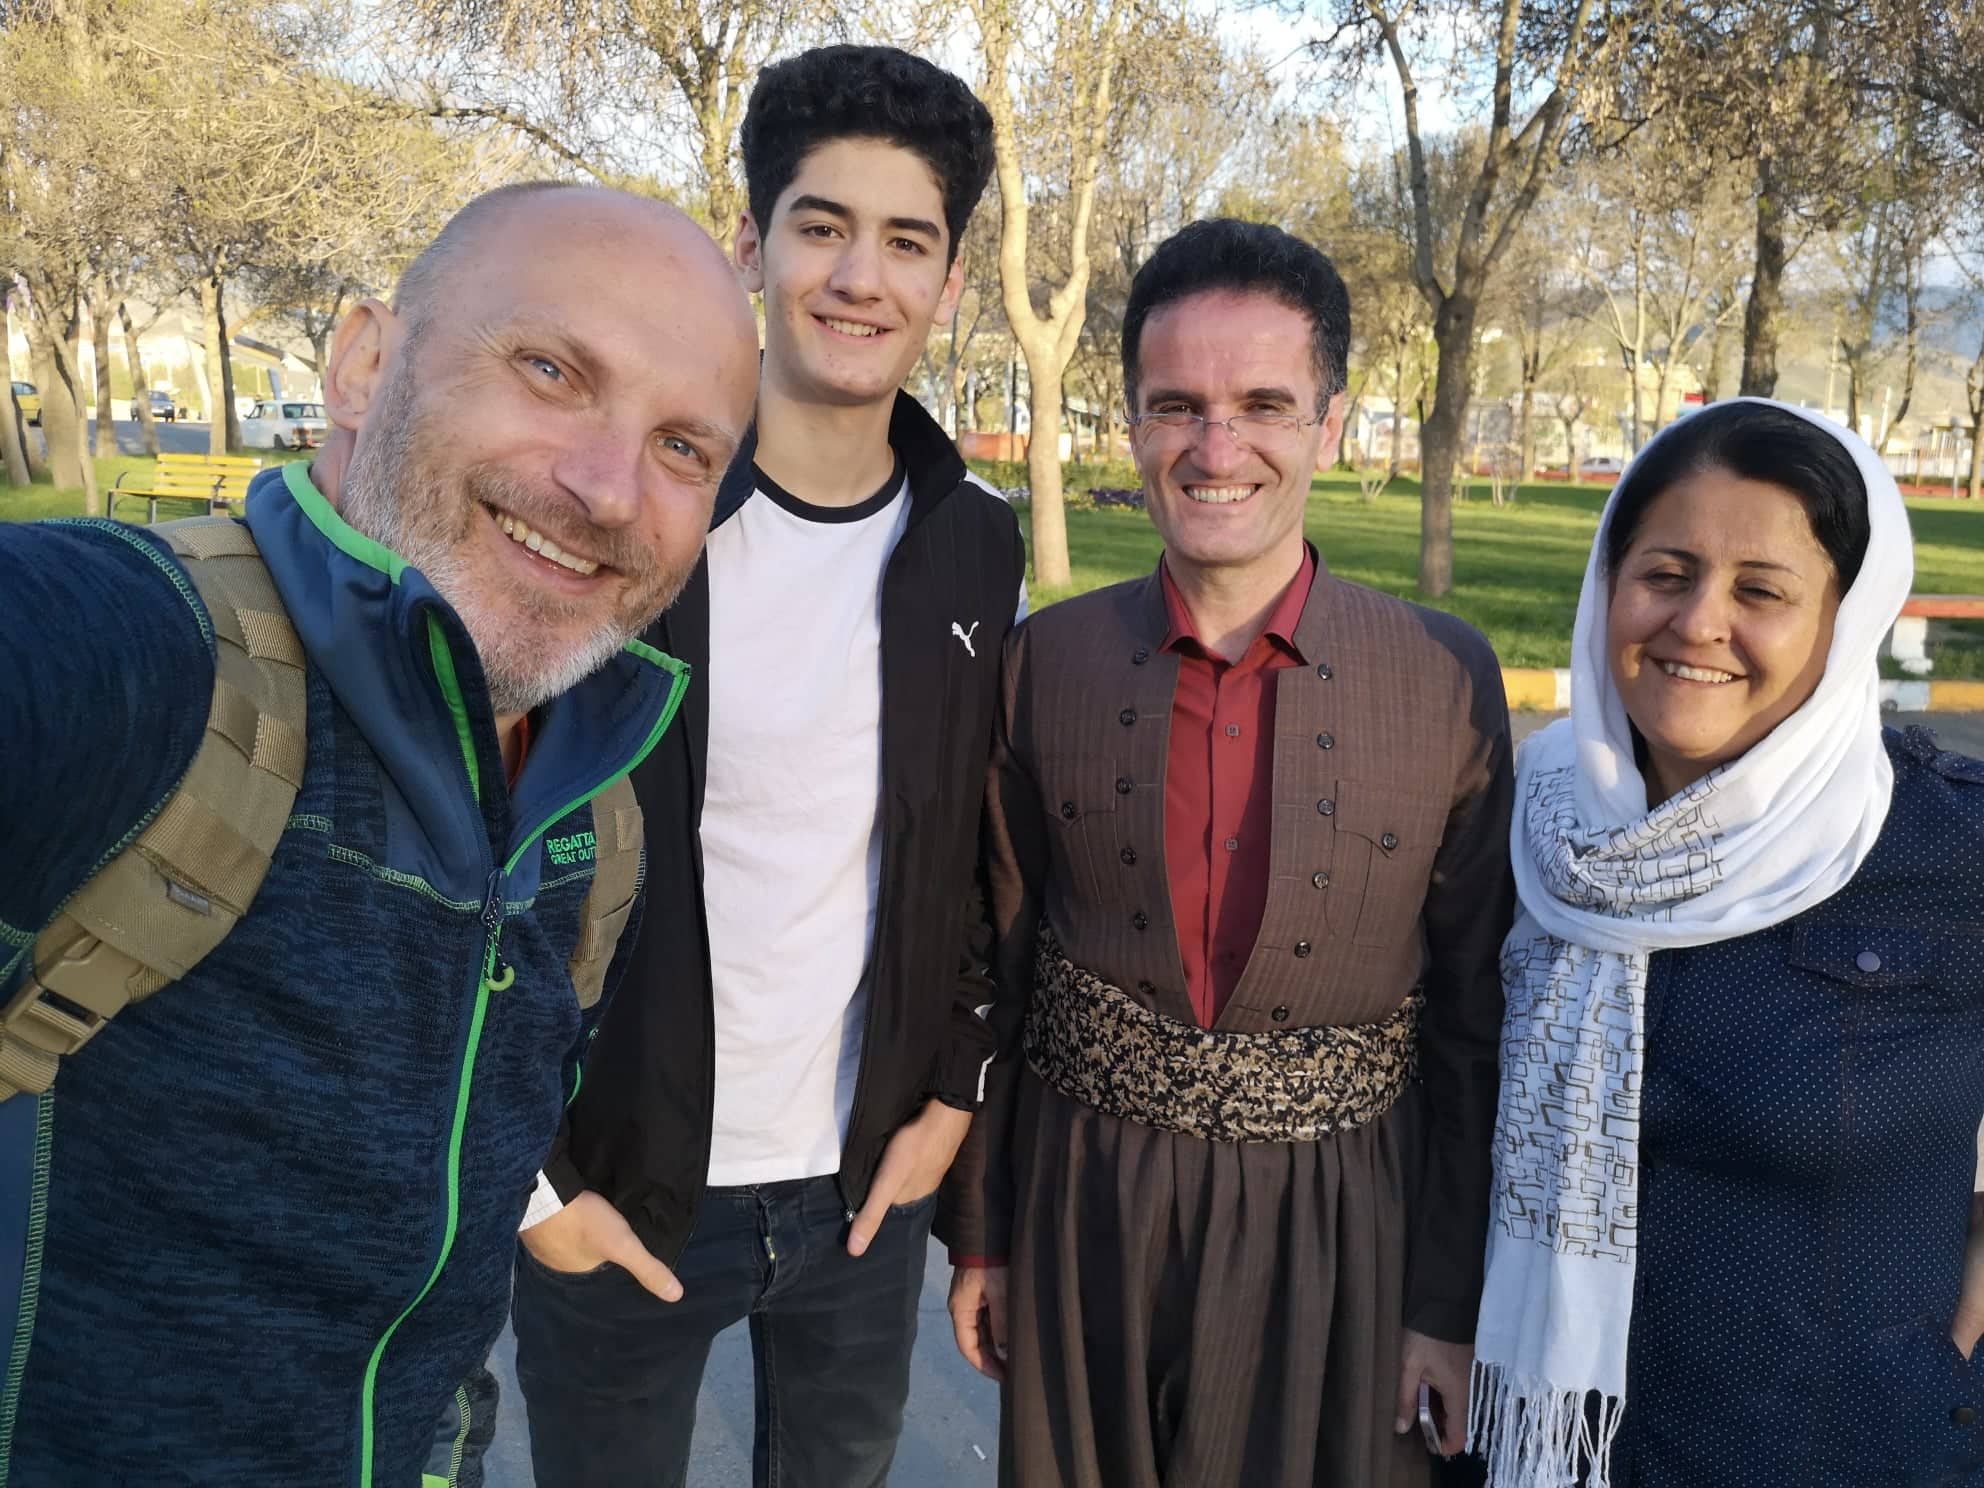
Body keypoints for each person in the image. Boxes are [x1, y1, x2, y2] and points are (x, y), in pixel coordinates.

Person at [0, 182, 759, 1484]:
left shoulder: (594, 812)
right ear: (362, 361)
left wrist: (538, 1205)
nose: (606, 488)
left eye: (685, 448)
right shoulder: (147, 659)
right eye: (549, 368)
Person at [507, 44, 1025, 1488]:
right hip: (617, 1182)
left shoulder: (974, 540)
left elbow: (973, 858)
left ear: (950, 279)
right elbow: (484, 836)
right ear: (752, 241)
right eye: (821, 226)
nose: (861, 276)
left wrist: (956, 1088)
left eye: (905, 240)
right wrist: (531, 1185)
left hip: (860, 1196)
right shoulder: (629, 513)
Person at [939, 216, 1514, 1487]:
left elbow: (1477, 1021)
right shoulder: (1045, 667)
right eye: (1175, 406)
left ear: (1329, 419)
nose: (1215, 448)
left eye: (1262, 403)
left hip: (1344, 1216)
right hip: (1085, 1205)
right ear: (1132, 422)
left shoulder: (1445, 680)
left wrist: (1444, 1307)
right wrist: (981, 1236)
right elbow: (997, 968)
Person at [1469, 398, 1984, 1487]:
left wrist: (1943, 1358)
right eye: (1664, 572)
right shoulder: (1521, 821)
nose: (1698, 621)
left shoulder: (1948, 845)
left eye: (1760, 591)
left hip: (1831, 1448)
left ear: (1842, 622)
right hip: (1543, 1441)